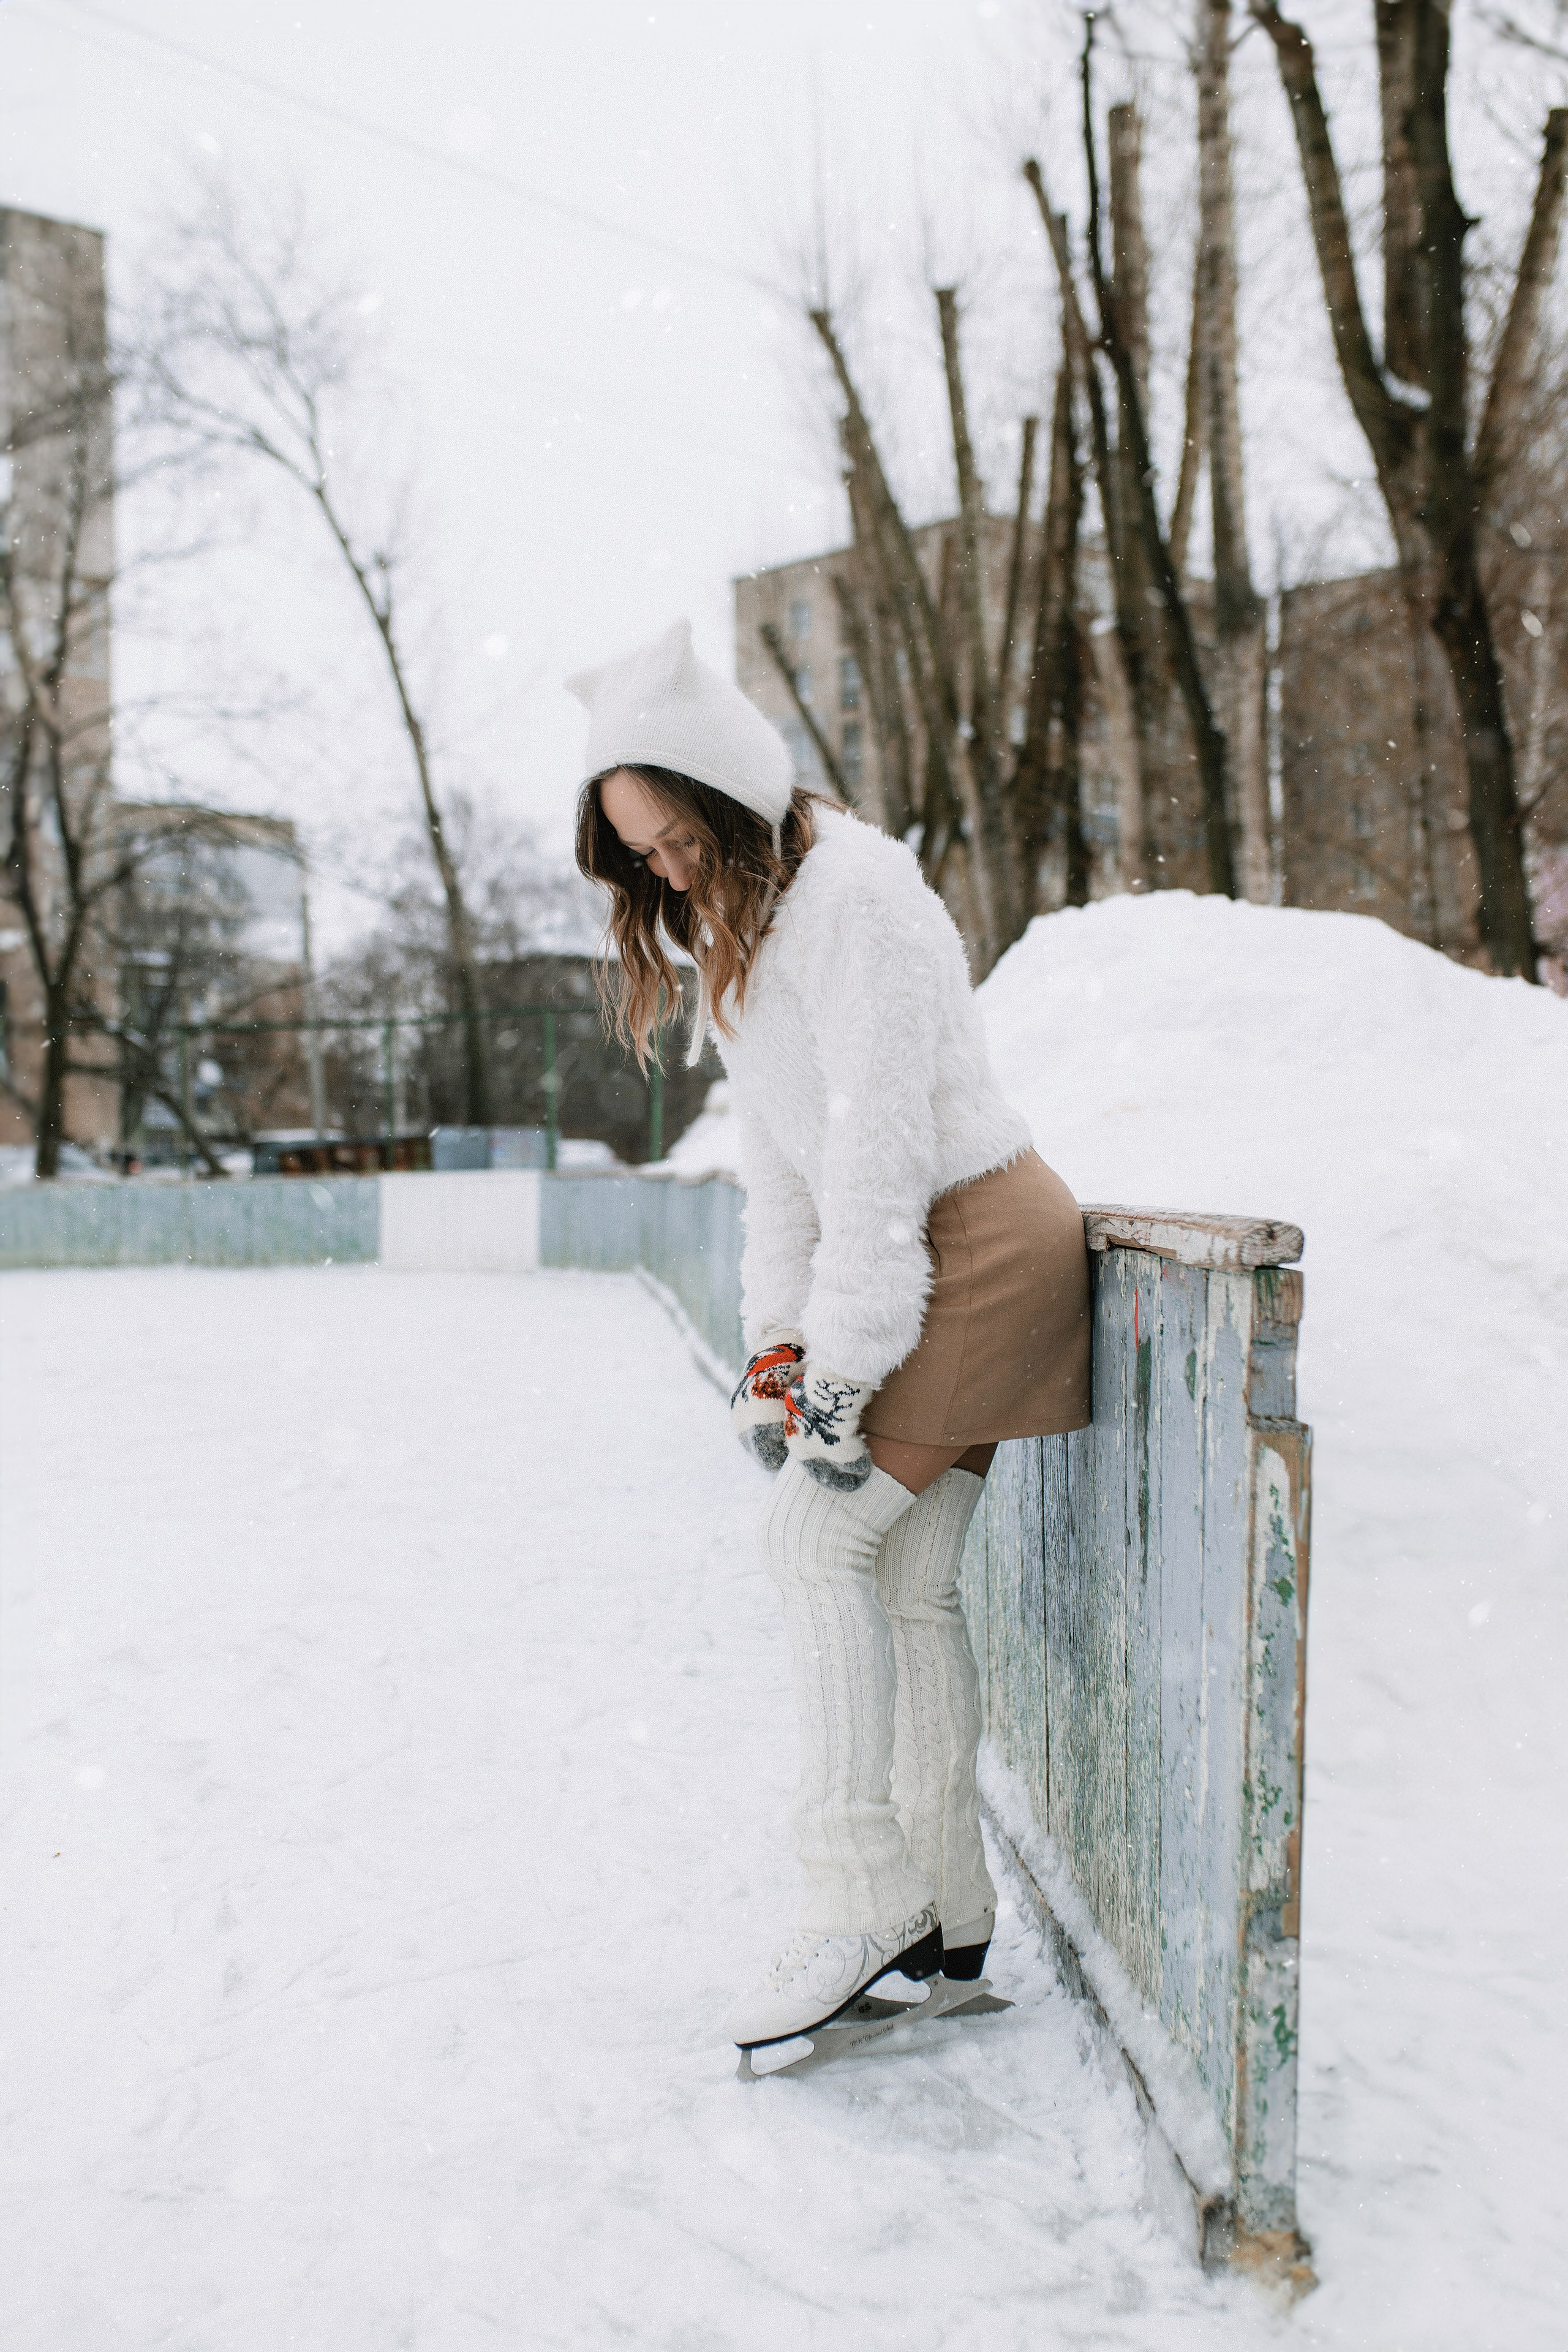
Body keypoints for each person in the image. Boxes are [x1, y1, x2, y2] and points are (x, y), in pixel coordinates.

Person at [570, 619, 1091, 2059]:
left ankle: (859, 1897)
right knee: (910, 1578)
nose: (666, 874)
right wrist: (777, 1348)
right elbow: (785, 1169)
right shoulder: (744, 921)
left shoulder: (851, 894)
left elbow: (874, 1155)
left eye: (678, 838)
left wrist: (846, 1364)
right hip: (920, 1248)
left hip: (976, 1243)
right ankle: (947, 1920)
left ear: (731, 791)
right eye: (642, 857)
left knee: (808, 1543)